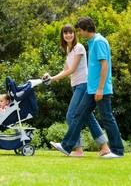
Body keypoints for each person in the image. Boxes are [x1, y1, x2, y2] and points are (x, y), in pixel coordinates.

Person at [50, 17, 124, 158]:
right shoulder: (92, 42)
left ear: (85, 28)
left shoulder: (99, 41)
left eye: (79, 30)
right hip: (91, 88)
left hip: (99, 89)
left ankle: (117, 151)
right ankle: (67, 146)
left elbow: (105, 65)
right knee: (78, 114)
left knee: (107, 118)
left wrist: (100, 88)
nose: (79, 33)